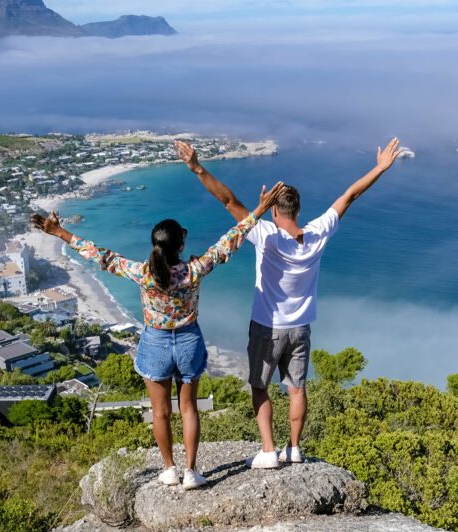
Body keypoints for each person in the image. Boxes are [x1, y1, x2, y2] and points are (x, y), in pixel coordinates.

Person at [30, 181, 286, 488]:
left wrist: (60, 233)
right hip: (189, 341)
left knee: (160, 412)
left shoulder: (143, 273)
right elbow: (229, 241)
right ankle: (191, 471)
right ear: (180, 246)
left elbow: (102, 257)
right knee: (189, 408)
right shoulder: (194, 270)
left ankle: (169, 469)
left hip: (155, 343)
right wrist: (258, 210)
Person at [176, 138, 402, 468]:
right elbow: (349, 196)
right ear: (297, 209)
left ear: (273, 209)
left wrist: (198, 168)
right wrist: (379, 168)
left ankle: (269, 451)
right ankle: (294, 448)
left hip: (267, 327)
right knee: (297, 390)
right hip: (300, 328)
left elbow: (228, 201)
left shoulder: (264, 233)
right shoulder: (317, 234)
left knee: (259, 387)